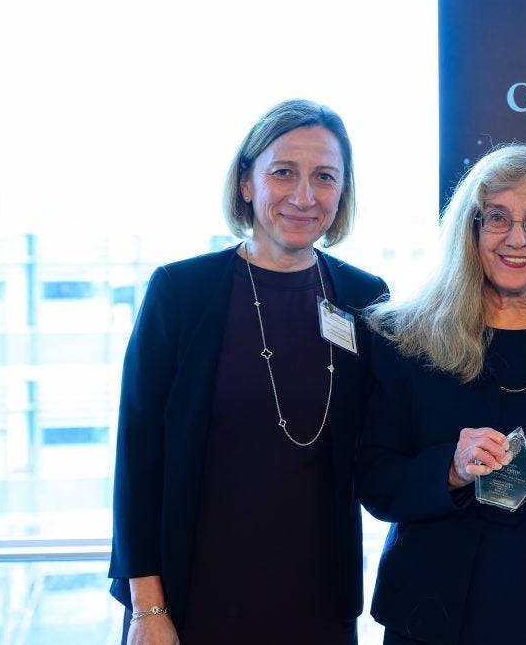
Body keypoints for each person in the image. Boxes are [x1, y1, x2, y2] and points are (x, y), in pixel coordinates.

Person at [108, 99, 388, 644]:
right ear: (246, 182)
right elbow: (139, 458)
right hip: (190, 600)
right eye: (283, 172)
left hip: (318, 602)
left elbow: (385, 443)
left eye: (325, 177)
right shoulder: (182, 292)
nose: (304, 196)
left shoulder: (365, 298)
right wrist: (147, 607)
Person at [358, 143, 526, 644]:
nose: (516, 238)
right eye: (497, 218)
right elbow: (374, 479)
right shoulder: (406, 339)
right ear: (472, 229)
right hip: (441, 616)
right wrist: (450, 468)